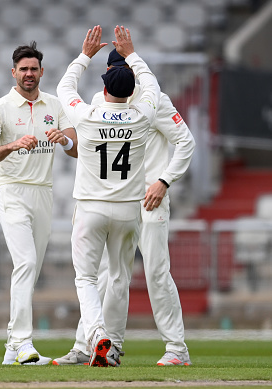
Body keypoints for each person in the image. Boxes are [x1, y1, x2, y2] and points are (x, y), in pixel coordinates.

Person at [53, 48, 195, 367]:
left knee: (155, 272)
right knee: (106, 275)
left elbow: (186, 141)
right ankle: (89, 346)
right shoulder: (124, 102)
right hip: (123, 202)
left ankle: (176, 348)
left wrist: (164, 181)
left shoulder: (155, 101)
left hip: (149, 196)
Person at [0, 42, 77, 365]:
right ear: (14, 72)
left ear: (41, 72)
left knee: (31, 270)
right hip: (12, 191)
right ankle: (23, 342)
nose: (29, 74)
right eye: (23, 69)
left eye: (34, 69)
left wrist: (64, 140)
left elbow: (76, 147)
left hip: (43, 192)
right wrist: (14, 144)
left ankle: (11, 346)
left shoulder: (54, 105)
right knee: (25, 263)